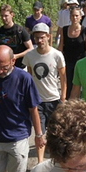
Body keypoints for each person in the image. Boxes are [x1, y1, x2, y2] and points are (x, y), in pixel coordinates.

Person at [22, 23, 67, 164]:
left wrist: (63, 98)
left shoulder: (57, 55)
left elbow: (64, 79)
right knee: (39, 132)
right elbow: (29, 77)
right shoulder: (30, 56)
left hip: (54, 99)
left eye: (42, 37)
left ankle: (56, 159)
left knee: (55, 132)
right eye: (36, 38)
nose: (39, 40)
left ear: (48, 37)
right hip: (37, 101)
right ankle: (40, 163)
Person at [57, 6, 86, 98]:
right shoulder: (64, 30)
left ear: (80, 17)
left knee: (82, 86)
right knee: (68, 86)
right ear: (70, 17)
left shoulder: (85, 31)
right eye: (72, 15)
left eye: (76, 16)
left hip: (81, 63)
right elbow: (60, 47)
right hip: (68, 62)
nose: (74, 18)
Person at [0, 4, 33, 69]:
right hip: (3, 69)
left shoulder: (20, 30)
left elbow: (30, 48)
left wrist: (16, 56)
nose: (4, 18)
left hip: (19, 67)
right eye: (2, 16)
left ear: (12, 15)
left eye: (6, 16)